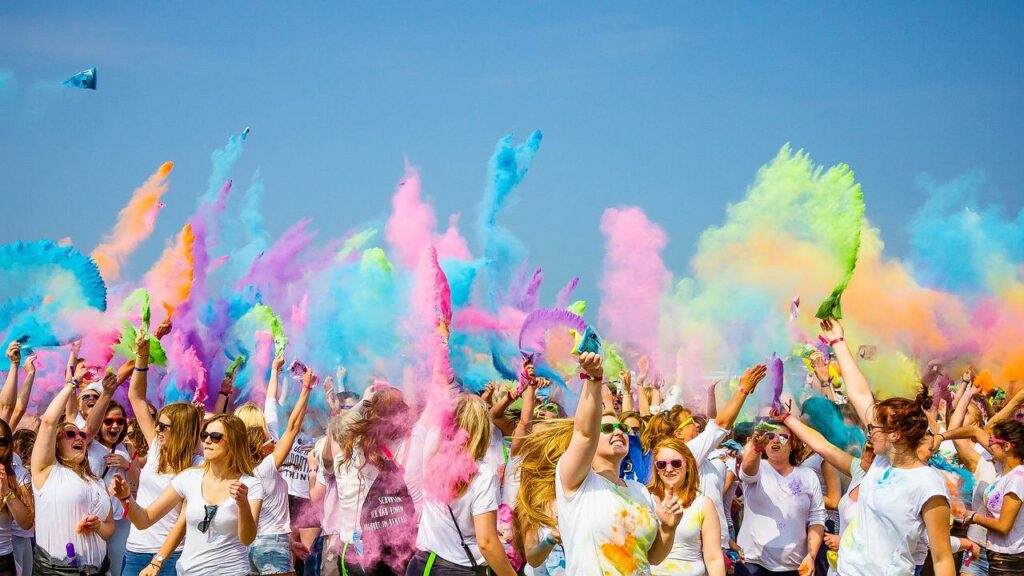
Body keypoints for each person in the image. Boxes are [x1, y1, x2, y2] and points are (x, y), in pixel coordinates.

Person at [820, 318, 955, 576]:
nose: (868, 434)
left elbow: (942, 558)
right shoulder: (882, 462)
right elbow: (860, 394)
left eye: (873, 428)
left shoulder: (928, 485)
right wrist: (837, 341)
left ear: (894, 435)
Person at [554, 352, 683, 575]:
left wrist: (669, 529)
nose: (618, 432)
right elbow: (584, 433)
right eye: (606, 428)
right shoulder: (576, 482)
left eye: (622, 428)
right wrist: (593, 379)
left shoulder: (639, 490)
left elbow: (652, 557)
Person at [111, 414, 264, 576]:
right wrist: (126, 498)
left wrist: (243, 504)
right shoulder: (189, 478)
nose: (207, 441)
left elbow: (247, 538)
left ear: (234, 442)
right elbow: (144, 520)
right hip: (188, 571)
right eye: (204, 436)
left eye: (216, 437)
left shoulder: (250, 485)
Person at [406, 394, 516, 576]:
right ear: (482, 429)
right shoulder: (483, 474)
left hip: (420, 565)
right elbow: (487, 542)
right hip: (457, 569)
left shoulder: (431, 456)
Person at [122, 333, 203, 576]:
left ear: (180, 430)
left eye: (163, 426)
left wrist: (159, 560)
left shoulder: (197, 466)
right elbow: (136, 397)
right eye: (157, 424)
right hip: (135, 549)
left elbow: (183, 521)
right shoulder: (156, 448)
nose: (156, 429)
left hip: (172, 555)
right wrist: (142, 356)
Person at [31, 362, 114, 575]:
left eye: (82, 435)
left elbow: (109, 528)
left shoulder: (95, 479)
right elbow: (49, 421)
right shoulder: (47, 471)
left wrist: (98, 526)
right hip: (56, 571)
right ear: (56, 443)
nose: (78, 436)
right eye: (69, 434)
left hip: (100, 569)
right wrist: (72, 383)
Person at [329, 384, 414, 575]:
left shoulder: (349, 451)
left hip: (355, 549)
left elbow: (339, 428)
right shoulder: (405, 446)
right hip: (396, 549)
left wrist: (365, 401)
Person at [248, 363, 315, 576]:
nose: (274, 441)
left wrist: (275, 370)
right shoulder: (266, 467)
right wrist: (306, 390)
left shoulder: (239, 469)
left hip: (252, 546)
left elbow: (270, 405)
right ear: (260, 444)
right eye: (269, 438)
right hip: (271, 546)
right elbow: (293, 426)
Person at [942, 419, 1024, 575]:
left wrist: (973, 516)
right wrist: (941, 437)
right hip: (993, 554)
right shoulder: (1002, 472)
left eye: (992, 441)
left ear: (1006, 446)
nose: (989, 445)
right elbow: (973, 431)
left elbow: (1003, 526)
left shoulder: (1018, 478)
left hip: (1009, 561)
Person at [648, 437, 726, 576]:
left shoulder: (703, 504)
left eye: (676, 463)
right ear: (656, 468)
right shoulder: (644, 498)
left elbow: (714, 558)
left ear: (688, 464)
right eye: (661, 464)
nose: (669, 469)